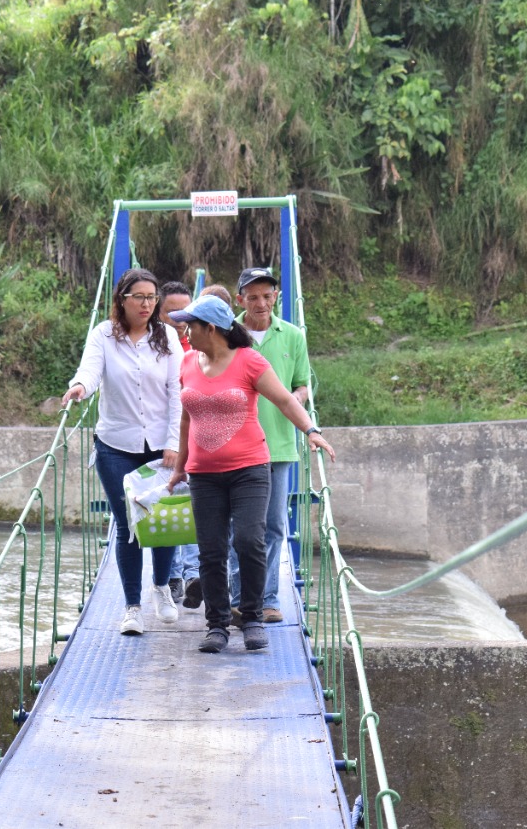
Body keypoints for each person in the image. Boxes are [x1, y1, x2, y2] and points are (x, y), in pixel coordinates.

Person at [166, 294, 334, 654]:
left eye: (190, 324)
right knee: (211, 551)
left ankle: (253, 618)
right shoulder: (187, 363)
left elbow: (287, 400)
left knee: (248, 540)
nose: (185, 329)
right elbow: (186, 417)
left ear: (210, 328)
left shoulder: (249, 361)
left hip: (250, 470)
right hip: (203, 474)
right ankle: (217, 625)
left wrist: (312, 432)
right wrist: (180, 466)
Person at [62, 269, 183, 636]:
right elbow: (91, 370)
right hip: (115, 445)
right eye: (139, 297)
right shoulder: (104, 334)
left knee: (163, 519)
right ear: (122, 299)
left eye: (152, 297)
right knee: (129, 524)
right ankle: (132, 607)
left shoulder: (169, 336)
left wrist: (175, 442)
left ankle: (161, 587)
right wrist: (80, 387)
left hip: (161, 446)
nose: (147, 304)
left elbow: (178, 391)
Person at [228, 267, 311, 624]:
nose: (260, 303)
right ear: (239, 299)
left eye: (267, 295)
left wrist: (292, 400)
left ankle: (268, 598)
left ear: (276, 296)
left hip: (277, 445)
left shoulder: (292, 336)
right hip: (235, 447)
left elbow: (303, 386)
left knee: (274, 525)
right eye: (253, 296)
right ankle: (237, 597)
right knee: (239, 527)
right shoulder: (224, 335)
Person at [158, 280, 200, 608]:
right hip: (167, 440)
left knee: (197, 509)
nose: (181, 320)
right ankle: (174, 575)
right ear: (159, 313)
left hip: (200, 436)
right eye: (173, 313)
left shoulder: (203, 346)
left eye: (186, 312)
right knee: (172, 506)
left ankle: (191, 574)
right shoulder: (152, 348)